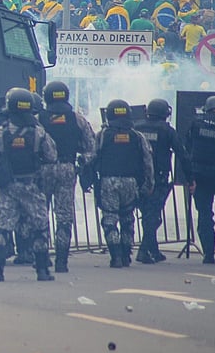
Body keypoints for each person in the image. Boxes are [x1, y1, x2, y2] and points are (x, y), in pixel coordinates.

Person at [0, 88, 57, 282]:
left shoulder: (1, 131)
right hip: (31, 184)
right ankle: (42, 269)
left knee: (3, 225)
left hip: (7, 186)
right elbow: (51, 155)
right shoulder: (38, 132)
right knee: (39, 225)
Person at [38, 80, 95, 273]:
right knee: (64, 215)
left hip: (43, 170)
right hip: (67, 168)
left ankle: (42, 257)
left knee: (41, 214)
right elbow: (91, 146)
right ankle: (61, 260)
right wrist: (81, 162)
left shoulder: (38, 119)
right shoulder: (77, 119)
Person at [89, 99, 154, 268]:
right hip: (130, 182)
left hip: (108, 181)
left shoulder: (102, 135)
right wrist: (149, 185)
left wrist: (86, 178)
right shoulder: (137, 136)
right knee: (127, 218)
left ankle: (115, 255)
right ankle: (126, 255)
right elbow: (148, 162)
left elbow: (92, 157)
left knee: (110, 218)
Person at [134, 98, 191, 264]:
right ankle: (144, 250)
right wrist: (190, 177)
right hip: (158, 178)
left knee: (148, 214)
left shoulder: (137, 127)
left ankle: (153, 249)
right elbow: (182, 154)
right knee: (153, 216)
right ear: (165, 113)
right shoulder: (167, 131)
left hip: (138, 177)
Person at [186, 94, 215, 264]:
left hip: (199, 176)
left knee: (204, 214)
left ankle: (208, 254)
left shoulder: (195, 124)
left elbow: (188, 147)